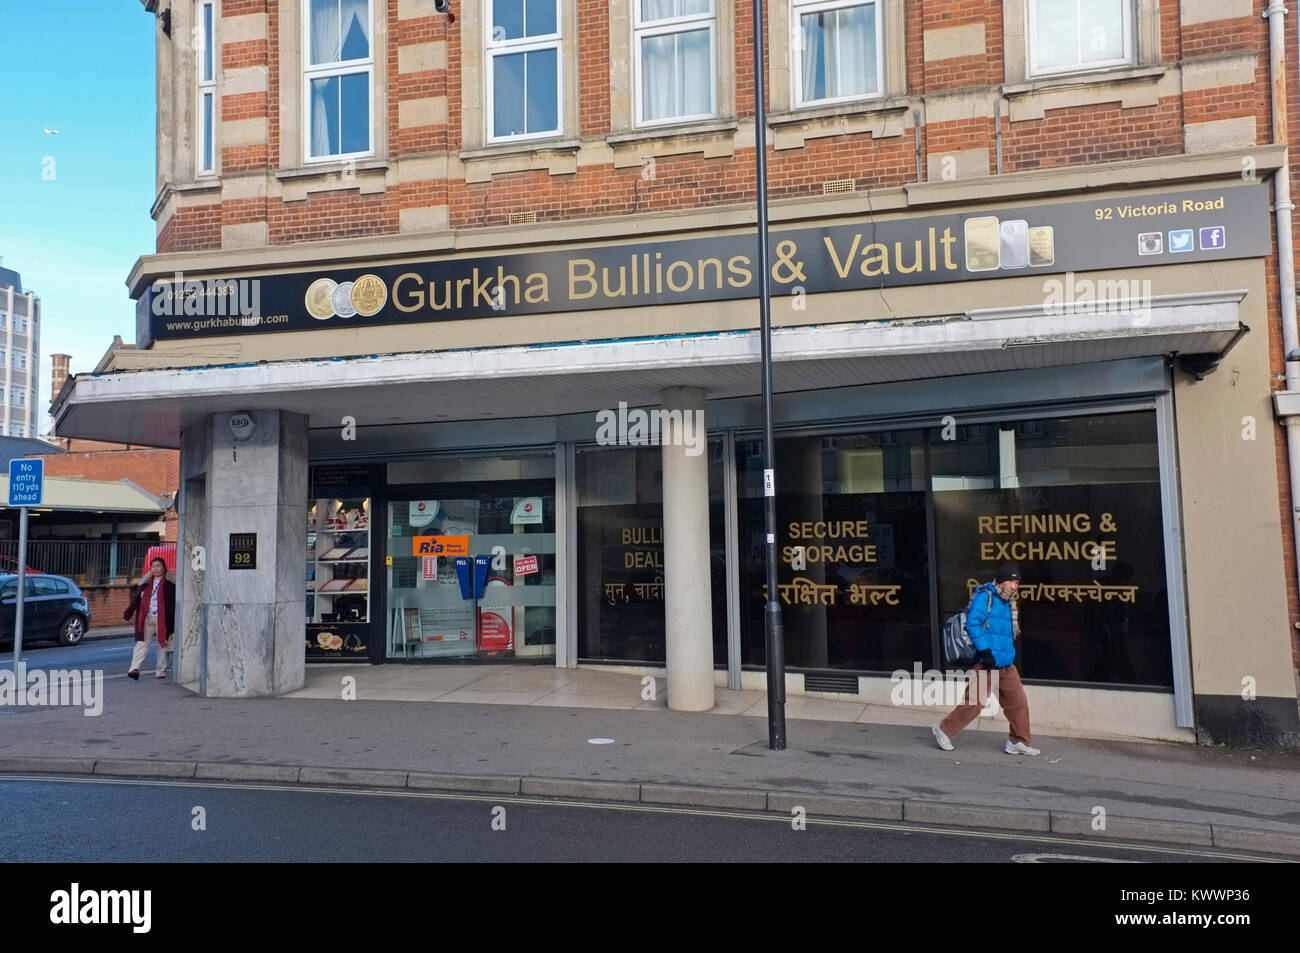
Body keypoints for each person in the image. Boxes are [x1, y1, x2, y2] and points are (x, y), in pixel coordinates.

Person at [932, 563, 1039, 756]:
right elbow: (973, 624)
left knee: (1018, 703)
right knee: (974, 702)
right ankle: (943, 729)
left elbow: (1005, 633)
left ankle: (1018, 741)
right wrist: (985, 651)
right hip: (987, 661)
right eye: (1011, 581)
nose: (1014, 586)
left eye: (1016, 582)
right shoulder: (985, 597)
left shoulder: (1009, 602)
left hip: (1006, 663)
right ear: (1000, 581)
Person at [123, 557, 176, 680]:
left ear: (164, 568)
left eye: (158, 566)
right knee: (141, 643)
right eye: (153, 566)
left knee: (162, 644)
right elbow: (136, 600)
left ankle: (161, 671)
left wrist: (173, 621)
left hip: (163, 620)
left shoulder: (170, 584)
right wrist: (129, 612)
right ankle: (134, 669)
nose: (156, 569)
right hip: (147, 618)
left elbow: (174, 604)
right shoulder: (145, 584)